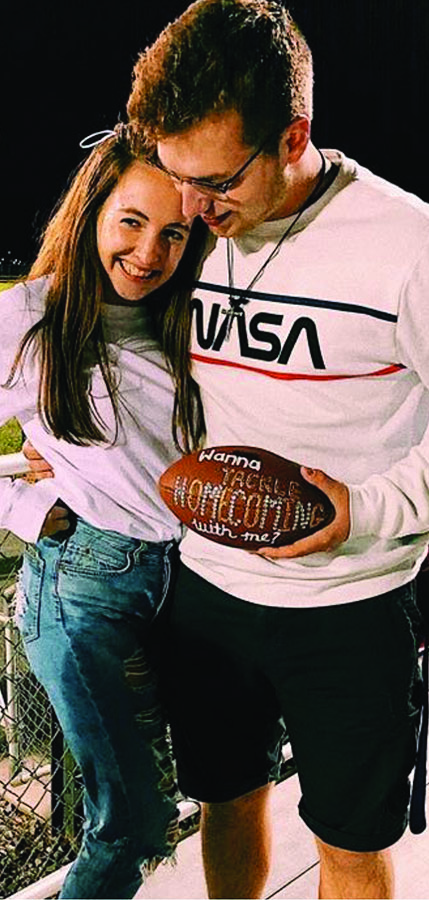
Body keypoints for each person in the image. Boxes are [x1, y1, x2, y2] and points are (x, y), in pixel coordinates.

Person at [124, 1, 429, 897]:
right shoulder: (186, 231)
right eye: (175, 175)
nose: (191, 206)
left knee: (349, 844)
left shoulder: (414, 244)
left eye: (218, 179)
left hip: (352, 603)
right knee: (228, 804)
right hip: (209, 593)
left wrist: (365, 510)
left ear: (294, 133)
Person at [1, 124, 208, 898]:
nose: (149, 253)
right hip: (81, 588)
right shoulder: (27, 319)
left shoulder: (187, 324)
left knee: (180, 799)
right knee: (133, 823)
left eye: (173, 233)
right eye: (131, 221)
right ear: (92, 210)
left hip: (183, 584)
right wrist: (21, 508)